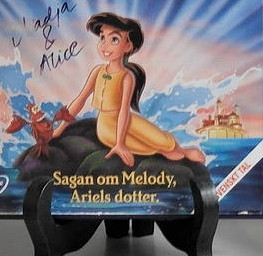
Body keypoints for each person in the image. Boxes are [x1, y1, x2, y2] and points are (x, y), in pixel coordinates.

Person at [57, 12, 205, 167]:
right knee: (137, 144)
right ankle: (162, 152)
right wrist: (59, 130)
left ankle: (181, 150)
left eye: (114, 39)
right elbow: (80, 100)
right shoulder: (97, 71)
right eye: (102, 37)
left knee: (158, 137)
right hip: (106, 125)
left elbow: (124, 110)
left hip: (125, 118)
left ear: (128, 46)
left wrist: (120, 143)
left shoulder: (127, 77)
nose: (105, 45)